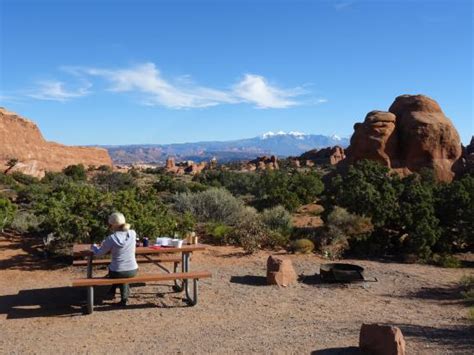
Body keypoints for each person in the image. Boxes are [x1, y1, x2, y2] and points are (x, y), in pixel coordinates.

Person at [92, 212, 138, 306]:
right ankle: (113, 291)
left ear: (112, 225)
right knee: (123, 274)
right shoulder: (132, 233)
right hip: (133, 269)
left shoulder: (111, 238)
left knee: (119, 272)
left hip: (118, 271)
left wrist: (94, 247)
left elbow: (99, 253)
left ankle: (123, 300)